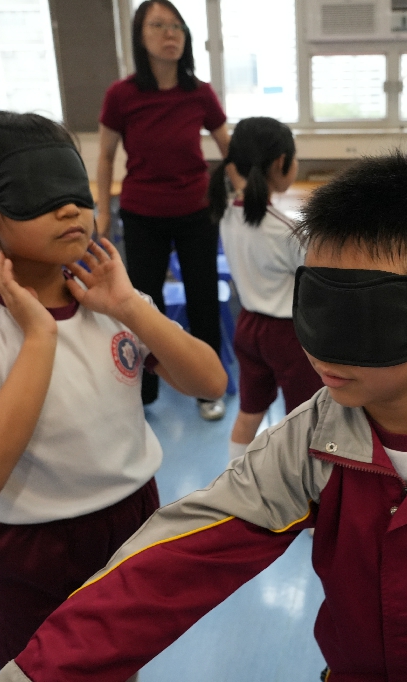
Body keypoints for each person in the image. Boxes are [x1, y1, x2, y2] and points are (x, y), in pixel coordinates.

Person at [0, 155, 407, 682]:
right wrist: (35, 671)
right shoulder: (310, 441)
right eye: (318, 307)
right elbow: (174, 562)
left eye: (365, 319)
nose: (327, 351)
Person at [0, 110, 227, 669]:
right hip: (33, 543)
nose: (69, 210)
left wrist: (130, 307)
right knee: (46, 671)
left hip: (134, 519)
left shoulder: (114, 303)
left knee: (122, 662)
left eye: (76, 192)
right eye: (36, 195)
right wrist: (39, 335)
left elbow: (210, 380)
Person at [97, 0, 231, 420]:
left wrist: (246, 190)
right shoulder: (122, 95)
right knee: (142, 303)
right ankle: (143, 390)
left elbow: (229, 147)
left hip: (196, 211)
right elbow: (105, 156)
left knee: (203, 298)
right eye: (158, 25)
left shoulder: (200, 92)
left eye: (177, 26)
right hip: (142, 213)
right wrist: (103, 213)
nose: (170, 34)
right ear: (140, 36)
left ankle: (207, 390)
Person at [208, 117, 323, 462]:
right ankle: (301, 483)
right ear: (280, 163)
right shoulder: (286, 229)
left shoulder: (228, 214)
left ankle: (233, 478)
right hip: (288, 335)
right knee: (304, 418)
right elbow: (318, 277)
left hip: (248, 326)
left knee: (249, 412)